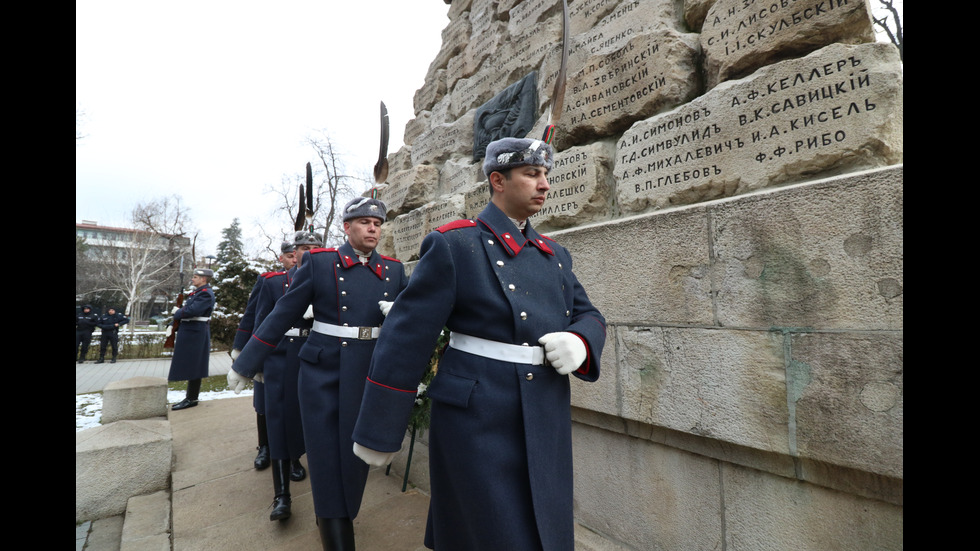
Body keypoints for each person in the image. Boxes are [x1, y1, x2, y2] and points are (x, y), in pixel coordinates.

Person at [351, 137, 607, 551]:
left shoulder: (554, 255)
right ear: (498, 181)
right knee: (491, 533)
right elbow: (406, 337)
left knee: (546, 525)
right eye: (531, 174)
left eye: (545, 175)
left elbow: (590, 314)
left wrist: (580, 340)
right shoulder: (455, 244)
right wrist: (379, 432)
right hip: (477, 420)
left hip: (544, 412)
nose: (544, 184)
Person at [229, 197, 407, 550]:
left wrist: (400, 316)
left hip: (368, 373)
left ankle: (344, 517)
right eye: (364, 222)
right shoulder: (321, 263)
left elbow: (409, 327)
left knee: (354, 458)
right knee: (326, 458)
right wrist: (246, 362)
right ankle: (337, 536)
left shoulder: (394, 271)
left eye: (377, 223)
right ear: (347, 226)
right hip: (322, 374)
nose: (373, 228)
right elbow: (282, 313)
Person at [238, 231, 319, 522]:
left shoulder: (330, 279)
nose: (309, 252)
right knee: (279, 420)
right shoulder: (273, 283)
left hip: (315, 355)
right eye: (303, 248)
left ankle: (300, 459)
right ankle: (282, 496)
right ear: (293, 253)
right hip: (282, 356)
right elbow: (261, 322)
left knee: (308, 419)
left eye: (315, 247)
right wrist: (255, 362)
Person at [232, 241, 297, 471]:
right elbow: (252, 315)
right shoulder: (269, 281)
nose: (295, 260)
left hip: (297, 351)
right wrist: (242, 349)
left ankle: (293, 453)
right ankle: (265, 446)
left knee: (293, 404)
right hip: (269, 349)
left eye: (296, 255)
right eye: (290, 256)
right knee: (264, 403)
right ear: (282, 258)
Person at [167, 268, 216, 411]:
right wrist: (172, 325)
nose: (192, 279)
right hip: (190, 331)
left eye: (195, 277)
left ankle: (192, 398)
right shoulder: (198, 293)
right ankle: (190, 397)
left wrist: (178, 312)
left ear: (204, 279)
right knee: (192, 365)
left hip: (196, 333)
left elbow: (192, 311)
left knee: (195, 365)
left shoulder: (206, 294)